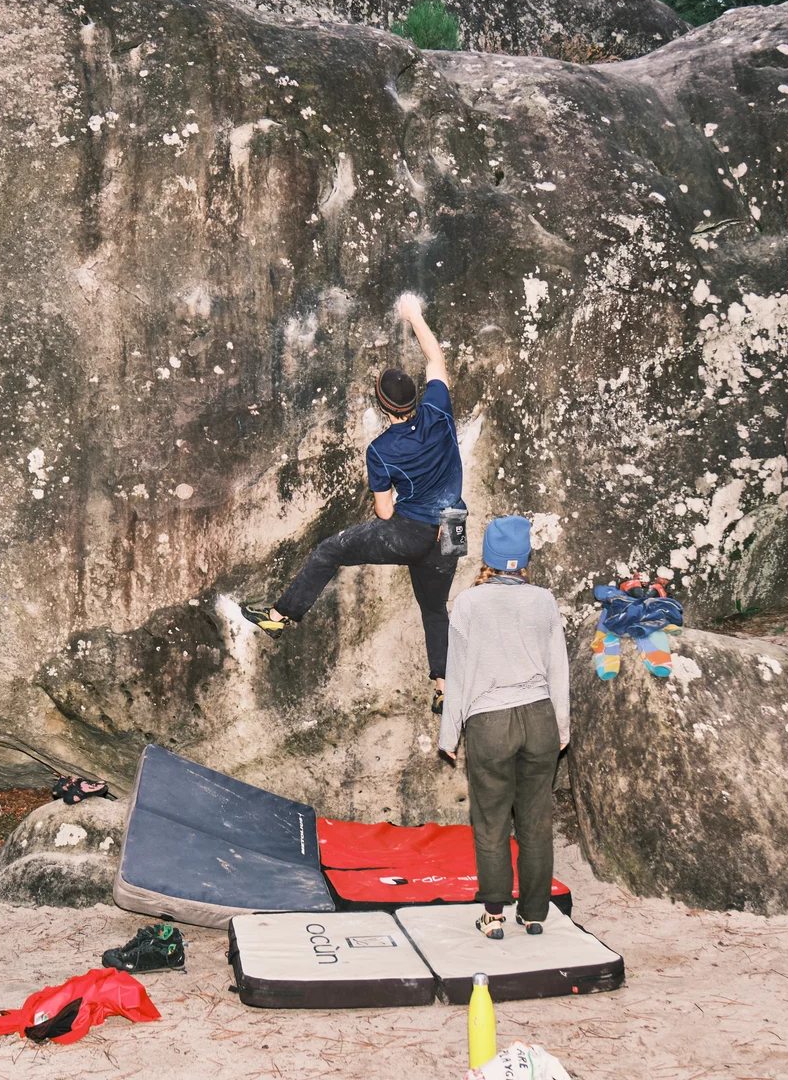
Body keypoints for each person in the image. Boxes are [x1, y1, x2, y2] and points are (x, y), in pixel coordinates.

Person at [242, 293, 465, 711]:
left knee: (331, 550)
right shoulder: (439, 410)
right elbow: (435, 358)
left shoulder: (380, 450)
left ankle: (279, 617)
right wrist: (414, 315)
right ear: (416, 398)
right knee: (435, 608)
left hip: (411, 532)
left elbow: (384, 512)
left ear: (383, 406)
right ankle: (444, 688)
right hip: (453, 527)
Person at [436, 515, 569, 941]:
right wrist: (561, 728)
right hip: (540, 718)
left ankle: (493, 916)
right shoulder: (543, 600)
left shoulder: (468, 603)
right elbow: (558, 669)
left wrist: (448, 735)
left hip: (490, 722)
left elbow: (457, 674)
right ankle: (534, 915)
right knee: (535, 821)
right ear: (524, 558)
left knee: (491, 821)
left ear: (488, 558)